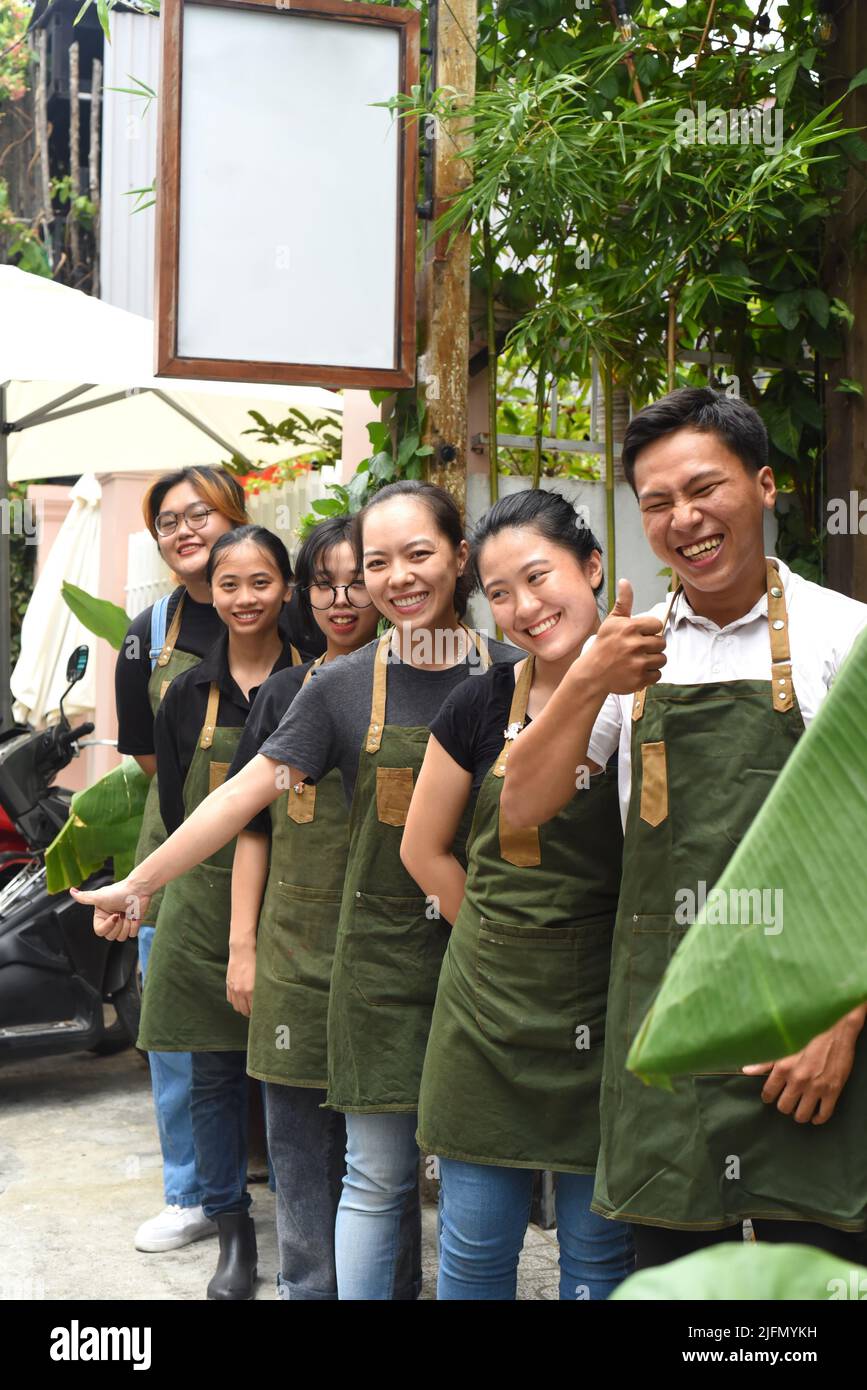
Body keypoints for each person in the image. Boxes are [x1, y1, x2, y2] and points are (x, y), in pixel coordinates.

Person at [73, 480, 519, 1300]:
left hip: (492, 963)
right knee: (377, 1176)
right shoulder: (342, 688)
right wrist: (140, 881)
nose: (397, 578)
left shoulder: (516, 676)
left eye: (418, 554)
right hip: (381, 969)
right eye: (378, 562)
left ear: (460, 557)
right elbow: (241, 798)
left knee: (476, 1182)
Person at [501, 387, 867, 1267]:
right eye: (657, 503)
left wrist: (842, 1024)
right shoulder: (628, 651)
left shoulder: (840, 634)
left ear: (766, 486)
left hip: (807, 1034)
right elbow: (520, 808)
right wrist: (588, 680)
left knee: (815, 1276)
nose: (684, 520)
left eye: (705, 489)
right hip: (668, 1027)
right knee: (676, 1279)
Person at [401, 490, 634, 1300]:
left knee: (601, 1258)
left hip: (610, 1013)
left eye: (538, 578)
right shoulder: (480, 701)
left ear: (592, 566)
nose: (522, 608)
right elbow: (421, 848)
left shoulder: (651, 693)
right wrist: (499, 941)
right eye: (498, 594)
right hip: (484, 1023)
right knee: (472, 1257)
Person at [224, 517, 383, 1300]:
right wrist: (242, 947)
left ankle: (383, 1285)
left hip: (384, 946)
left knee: (379, 1137)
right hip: (291, 946)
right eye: (323, 582)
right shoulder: (287, 691)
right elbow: (251, 828)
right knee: (293, 1136)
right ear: (304, 592)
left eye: (358, 578)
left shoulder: (425, 682)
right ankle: (306, 1286)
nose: (341, 598)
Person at [137, 525, 298, 1299]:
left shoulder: (317, 679)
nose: (244, 598)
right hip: (203, 904)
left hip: (297, 902)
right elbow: (176, 808)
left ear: (286, 589)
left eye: (260, 582)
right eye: (229, 584)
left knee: (300, 1076)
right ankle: (232, 1234)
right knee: (211, 1075)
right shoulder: (185, 693)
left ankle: (310, 1228)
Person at [116, 466, 247, 1255]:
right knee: (173, 1028)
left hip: (288, 845)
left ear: (236, 514)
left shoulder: (290, 608)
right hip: (174, 846)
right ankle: (190, 1192)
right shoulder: (148, 629)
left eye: (201, 513)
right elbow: (150, 760)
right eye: (169, 521)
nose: (186, 529)